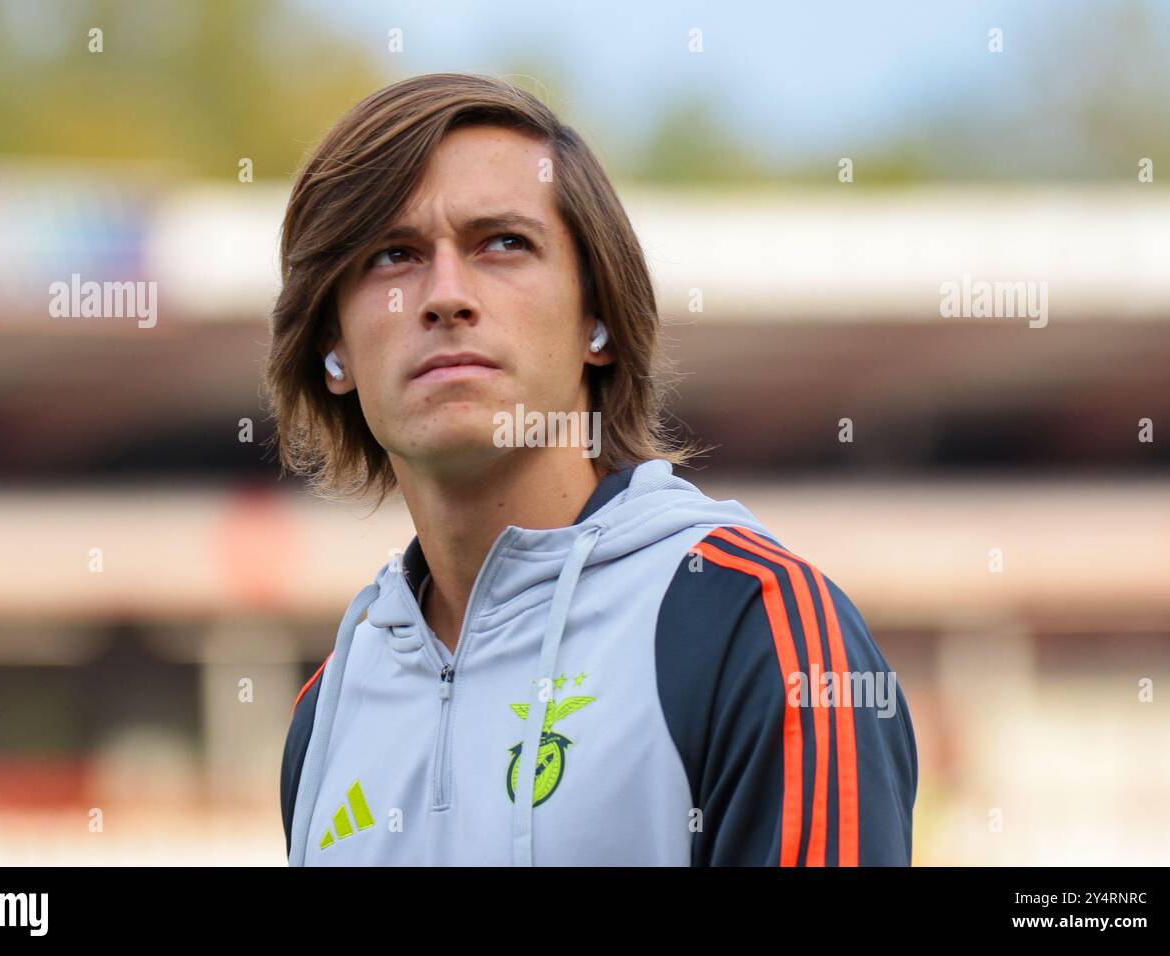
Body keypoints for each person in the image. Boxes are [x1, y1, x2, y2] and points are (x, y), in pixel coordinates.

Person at [265, 73, 916, 866]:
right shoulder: (328, 709)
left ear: (598, 320)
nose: (443, 296)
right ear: (333, 349)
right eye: (391, 255)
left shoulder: (757, 627)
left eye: (502, 243)